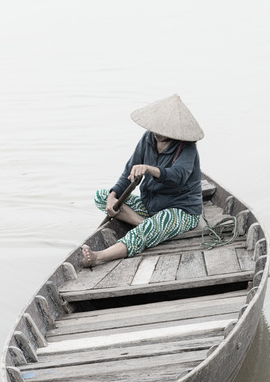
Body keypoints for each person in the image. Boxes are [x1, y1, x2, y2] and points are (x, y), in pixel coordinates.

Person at [82, 94, 205, 268]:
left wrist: (148, 169)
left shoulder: (187, 148)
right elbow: (128, 173)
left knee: (155, 225)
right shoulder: (147, 139)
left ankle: (99, 256)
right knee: (102, 196)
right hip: (151, 206)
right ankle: (145, 223)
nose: (157, 133)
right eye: (156, 128)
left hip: (182, 210)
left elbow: (177, 176)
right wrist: (113, 195)